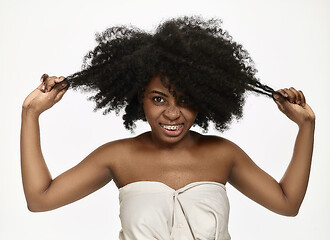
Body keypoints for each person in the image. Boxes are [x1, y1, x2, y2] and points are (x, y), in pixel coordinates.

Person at [20, 16, 315, 240]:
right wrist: (30, 114)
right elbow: (39, 199)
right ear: (141, 98)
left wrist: (306, 125)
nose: (173, 113)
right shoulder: (118, 157)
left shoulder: (223, 154)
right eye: (159, 99)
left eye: (185, 100)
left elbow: (287, 204)